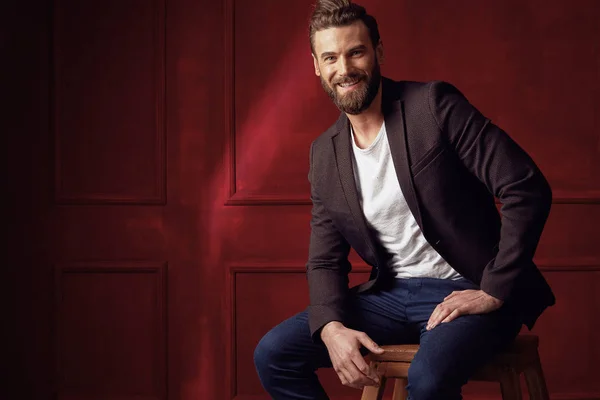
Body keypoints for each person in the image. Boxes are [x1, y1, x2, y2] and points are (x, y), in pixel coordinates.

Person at [254, 1, 555, 399]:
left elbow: (524, 185)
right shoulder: (323, 154)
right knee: (274, 353)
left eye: (355, 52)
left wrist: (494, 288)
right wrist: (331, 327)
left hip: (468, 286)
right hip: (391, 297)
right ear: (316, 66)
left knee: (428, 378)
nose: (344, 69)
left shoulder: (433, 106)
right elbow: (325, 258)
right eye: (330, 57)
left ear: (378, 52)